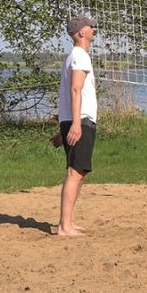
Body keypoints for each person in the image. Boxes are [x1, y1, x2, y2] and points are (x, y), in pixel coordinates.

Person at [51, 16, 98, 237]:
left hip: (74, 119)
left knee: (79, 172)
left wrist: (64, 126)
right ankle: (64, 226)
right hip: (81, 120)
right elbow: (75, 91)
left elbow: (67, 93)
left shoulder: (75, 56)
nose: (94, 29)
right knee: (75, 172)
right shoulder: (80, 56)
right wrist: (76, 124)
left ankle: (67, 222)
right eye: (90, 26)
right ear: (81, 32)